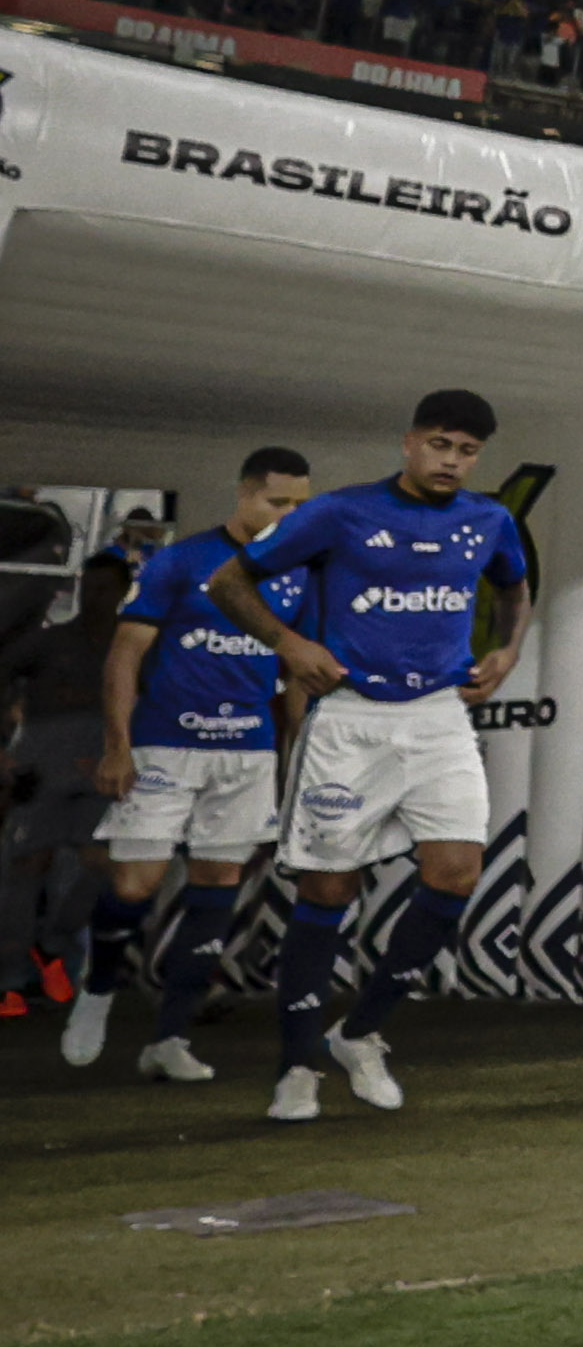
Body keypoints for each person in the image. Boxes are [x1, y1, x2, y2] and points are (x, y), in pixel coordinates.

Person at [205, 391, 532, 1121]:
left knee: (457, 872)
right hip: (349, 719)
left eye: (468, 451)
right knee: (327, 892)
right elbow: (229, 581)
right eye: (441, 445)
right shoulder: (341, 512)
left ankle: (358, 1033)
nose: (453, 461)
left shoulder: (489, 520)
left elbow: (514, 586)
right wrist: (289, 644)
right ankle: (296, 1068)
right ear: (410, 442)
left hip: (441, 717)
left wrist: (508, 650)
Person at [85, 448, 314, 1079]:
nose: (288, 514)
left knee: (218, 890)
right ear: (243, 495)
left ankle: (169, 1039)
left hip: (246, 753)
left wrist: (293, 761)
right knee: (136, 884)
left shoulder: (297, 573)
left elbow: (296, 673)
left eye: (299, 504)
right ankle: (99, 984)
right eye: (277, 502)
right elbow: (124, 654)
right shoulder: (181, 561)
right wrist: (117, 744)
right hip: (165, 746)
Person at [0, 553, 131, 1023]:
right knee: (25, 867)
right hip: (43, 764)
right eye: (88, 586)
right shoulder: (49, 642)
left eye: (104, 587)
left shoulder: (132, 645)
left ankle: (52, 944)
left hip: (104, 763)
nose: (95, 595)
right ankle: (9, 981)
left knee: (100, 862)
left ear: (122, 590)